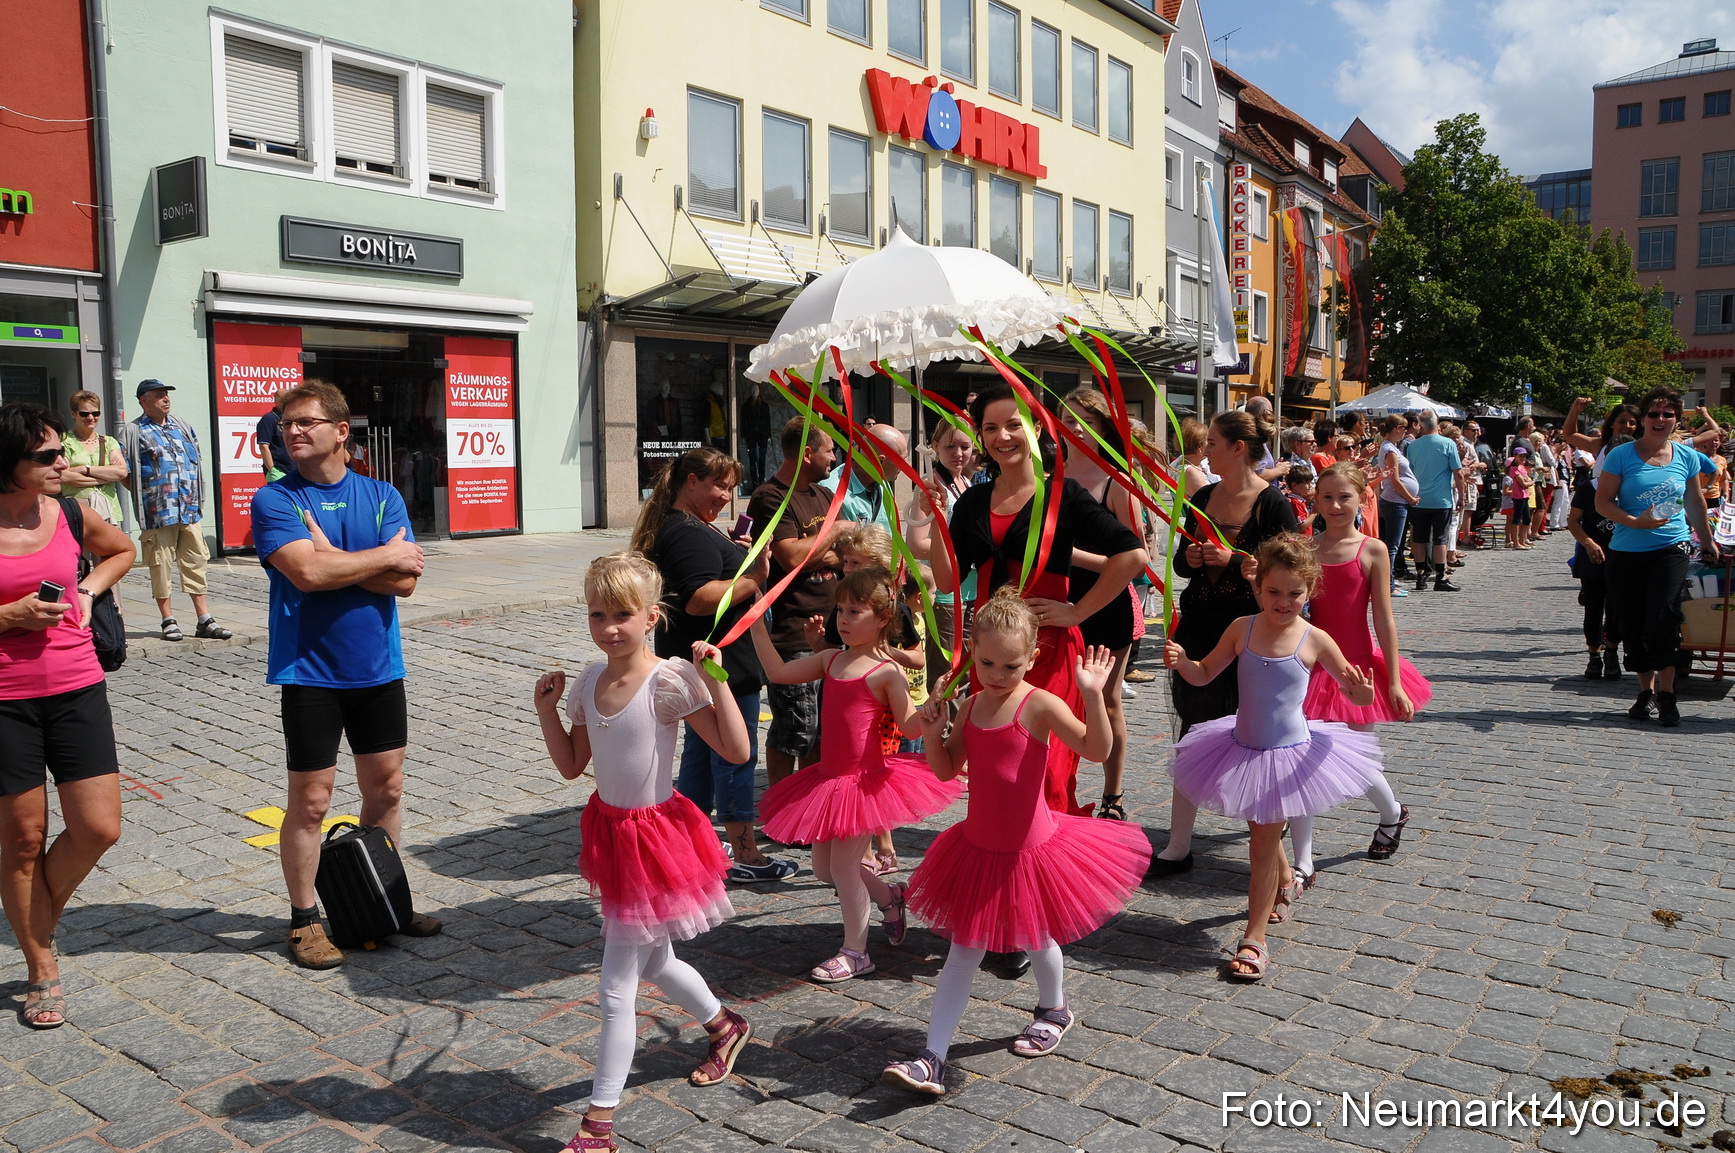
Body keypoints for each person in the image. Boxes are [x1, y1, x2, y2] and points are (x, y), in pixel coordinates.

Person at [882, 590, 1149, 1095]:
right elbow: (947, 770)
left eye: (1010, 665)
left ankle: (1054, 1007)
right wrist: (937, 732)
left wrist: (1092, 692)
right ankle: (932, 1056)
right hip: (979, 849)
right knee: (964, 951)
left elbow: (1095, 750)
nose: (997, 674)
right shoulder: (972, 705)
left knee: (1038, 935)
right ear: (972, 652)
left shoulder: (1039, 703)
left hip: (1031, 849)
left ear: (1033, 658)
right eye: (985, 663)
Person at [533, 554, 755, 1152]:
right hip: (611, 835)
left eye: (623, 615)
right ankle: (724, 1025)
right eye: (598, 614)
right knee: (654, 962)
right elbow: (571, 765)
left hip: (655, 839)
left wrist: (718, 682)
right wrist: (547, 712)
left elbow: (734, 751)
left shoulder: (668, 680)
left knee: (615, 987)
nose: (609, 627)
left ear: (653, 616)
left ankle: (598, 1125)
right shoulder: (588, 680)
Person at [249, 382, 439, 969]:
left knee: (386, 789)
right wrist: (374, 558)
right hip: (309, 672)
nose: (292, 432)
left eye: (305, 422)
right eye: (286, 425)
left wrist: (338, 560)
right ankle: (305, 918)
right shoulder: (275, 500)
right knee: (310, 800)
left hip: (378, 667)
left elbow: (407, 583)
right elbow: (306, 574)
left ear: (340, 432)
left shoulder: (382, 495)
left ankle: (384, 901)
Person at [1163, 534, 1388, 981]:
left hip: (1288, 755)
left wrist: (1361, 692)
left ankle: (1255, 937)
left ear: (1309, 592)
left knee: (1262, 842)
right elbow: (1206, 673)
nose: (1283, 602)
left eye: (1294, 594)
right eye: (1273, 592)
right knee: (1260, 830)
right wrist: (1183, 661)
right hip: (1242, 747)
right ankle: (1286, 881)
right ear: (1257, 587)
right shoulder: (1242, 628)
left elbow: (1350, 687)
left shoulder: (1315, 637)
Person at [929, 381, 1147, 821]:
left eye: (1014, 424)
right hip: (990, 653)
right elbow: (948, 578)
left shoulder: (1062, 496)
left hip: (1045, 653)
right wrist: (936, 519)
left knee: (1045, 770)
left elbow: (1132, 556)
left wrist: (1077, 612)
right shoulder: (972, 501)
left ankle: (1045, 861)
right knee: (997, 766)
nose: (1002, 436)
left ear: (1036, 429)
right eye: (990, 428)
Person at [750, 567, 962, 983]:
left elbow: (909, 728)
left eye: (855, 611)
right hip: (828, 780)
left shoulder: (886, 672)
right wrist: (757, 625)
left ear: (883, 618)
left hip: (863, 783)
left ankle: (856, 951)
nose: (843, 619)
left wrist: (933, 707)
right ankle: (889, 897)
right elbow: (777, 673)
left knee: (844, 869)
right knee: (825, 870)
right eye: (841, 609)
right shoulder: (832, 659)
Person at [0, 403, 134, 1028]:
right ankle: (41, 965)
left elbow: (123, 549)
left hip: (77, 685)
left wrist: (88, 588)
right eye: (48, 457)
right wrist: (8, 617)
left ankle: (36, 920)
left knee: (98, 827)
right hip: (5, 699)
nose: (65, 463)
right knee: (23, 842)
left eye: (62, 452)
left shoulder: (72, 512)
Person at [631, 447, 796, 882]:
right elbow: (699, 599)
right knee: (735, 757)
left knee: (703, 759)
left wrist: (738, 553)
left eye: (730, 487)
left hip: (709, 664)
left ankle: (693, 843)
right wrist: (755, 578)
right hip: (716, 667)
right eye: (719, 485)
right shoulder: (686, 531)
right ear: (691, 482)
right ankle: (745, 853)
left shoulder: (692, 526)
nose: (726, 495)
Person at [1149, 409, 1300, 876]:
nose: (1205, 448)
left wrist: (1232, 560)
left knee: (1260, 735)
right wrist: (1193, 556)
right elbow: (1179, 563)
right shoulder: (1205, 495)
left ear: (1238, 448)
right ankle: (1178, 844)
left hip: (1254, 631)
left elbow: (1289, 570)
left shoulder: (1274, 504)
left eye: (1213, 441)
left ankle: (1277, 835)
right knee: (1193, 731)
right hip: (1200, 625)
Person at [1300, 464, 1423, 875]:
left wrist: (1393, 680)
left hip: (1356, 669)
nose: (1335, 505)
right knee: (1301, 757)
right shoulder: (1305, 548)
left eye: (1344, 497)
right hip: (1309, 667)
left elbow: (1384, 618)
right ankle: (1302, 861)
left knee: (1357, 761)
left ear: (1361, 499)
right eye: (1327, 497)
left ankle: (1392, 813)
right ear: (1315, 500)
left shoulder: (1372, 549)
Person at [1595, 387, 1722, 727]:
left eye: (1668, 414)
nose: (1660, 420)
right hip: (1626, 550)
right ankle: (1645, 691)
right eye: (1654, 414)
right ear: (1643, 420)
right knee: (1633, 623)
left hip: (1671, 547)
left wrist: (1707, 541)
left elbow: (1696, 502)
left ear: (1677, 420)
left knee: (1663, 617)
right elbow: (1603, 502)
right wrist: (1636, 521)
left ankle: (1667, 695)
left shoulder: (1686, 456)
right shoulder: (1622, 455)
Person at [1057, 387, 1152, 821]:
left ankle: (1113, 795)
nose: (1074, 428)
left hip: (1108, 605)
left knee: (1107, 699)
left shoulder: (1117, 480)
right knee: (1058, 699)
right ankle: (1060, 789)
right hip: (1057, 600)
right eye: (1066, 418)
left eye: (1084, 421)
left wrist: (1069, 554)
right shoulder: (1049, 473)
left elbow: (1135, 561)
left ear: (1101, 429)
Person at [747, 418, 842, 792]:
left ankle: (808, 806)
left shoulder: (820, 494)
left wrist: (821, 552)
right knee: (794, 729)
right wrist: (832, 535)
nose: (834, 458)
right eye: (829, 450)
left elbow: (842, 555)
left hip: (831, 632)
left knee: (822, 732)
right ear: (806, 454)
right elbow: (790, 557)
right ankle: (781, 807)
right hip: (793, 634)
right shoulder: (769, 497)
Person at [129, 380, 232, 642]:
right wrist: (146, 495)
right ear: (144, 400)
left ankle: (204, 619)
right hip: (158, 511)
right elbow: (126, 472)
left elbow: (195, 461)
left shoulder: (182, 426)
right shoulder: (133, 431)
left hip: (189, 507)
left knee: (196, 561)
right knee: (160, 564)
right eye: (159, 395)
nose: (166, 399)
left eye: (167, 395)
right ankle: (167, 619)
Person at [1567, 443, 1623, 680]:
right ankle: (1594, 655)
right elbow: (1573, 521)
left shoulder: (1630, 489)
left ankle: (1612, 651)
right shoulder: (1588, 488)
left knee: (1617, 609)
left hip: (1622, 556)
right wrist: (1589, 544)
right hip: (1593, 557)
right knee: (1593, 608)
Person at [1402, 411, 1463, 592]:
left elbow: (1410, 472)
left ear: (1420, 425)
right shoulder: (1448, 443)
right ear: (1436, 422)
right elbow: (1457, 472)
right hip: (1441, 500)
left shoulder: (1413, 446)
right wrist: (1462, 496)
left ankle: (1421, 575)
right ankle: (1440, 576)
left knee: (1419, 538)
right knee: (1440, 539)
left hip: (1419, 498)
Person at [59, 391, 128, 526]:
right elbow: (62, 476)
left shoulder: (109, 442)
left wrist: (85, 469)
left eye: (95, 413)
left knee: (111, 547)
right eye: (84, 414)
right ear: (73, 414)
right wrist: (106, 475)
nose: (90, 417)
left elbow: (121, 472)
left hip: (109, 511)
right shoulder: (64, 441)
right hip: (77, 511)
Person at [1372, 415, 1419, 595]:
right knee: (1392, 546)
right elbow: (1395, 480)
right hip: (1396, 501)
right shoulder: (1390, 449)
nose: (1406, 431)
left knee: (1394, 544)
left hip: (1397, 500)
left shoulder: (1392, 448)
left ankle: (1390, 581)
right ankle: (1388, 585)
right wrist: (1410, 498)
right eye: (1404, 428)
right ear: (1397, 428)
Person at [256, 389, 293, 483]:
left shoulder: (291, 419)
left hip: (294, 469)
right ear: (276, 400)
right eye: (283, 399)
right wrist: (272, 469)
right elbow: (264, 446)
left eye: (289, 399)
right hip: (278, 470)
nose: (286, 402)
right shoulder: (268, 419)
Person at [1506, 445, 1534, 549]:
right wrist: (1531, 482)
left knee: (1527, 518)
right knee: (1516, 519)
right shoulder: (1513, 469)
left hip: (1525, 495)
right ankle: (1516, 542)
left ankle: (1522, 540)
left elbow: (1526, 479)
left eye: (1524, 456)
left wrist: (1528, 481)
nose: (1523, 459)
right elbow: (1523, 483)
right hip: (1518, 496)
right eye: (1520, 456)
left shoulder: (1522, 468)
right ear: (1515, 456)